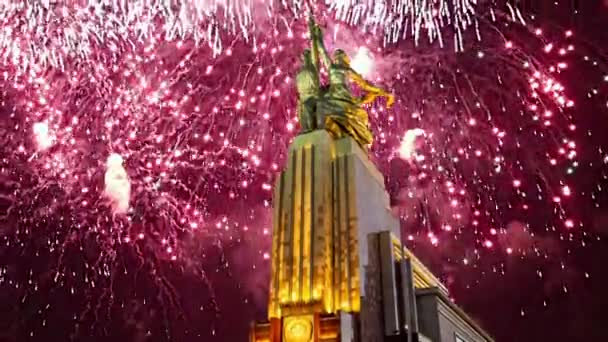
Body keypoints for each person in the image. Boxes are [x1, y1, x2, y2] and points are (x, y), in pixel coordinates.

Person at [310, 21, 394, 147]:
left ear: (345, 59)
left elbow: (365, 85)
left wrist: (382, 92)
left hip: (343, 98)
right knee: (318, 109)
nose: (337, 57)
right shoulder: (333, 67)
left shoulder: (345, 70)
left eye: (340, 55)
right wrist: (316, 36)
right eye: (337, 55)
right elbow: (322, 52)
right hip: (334, 97)